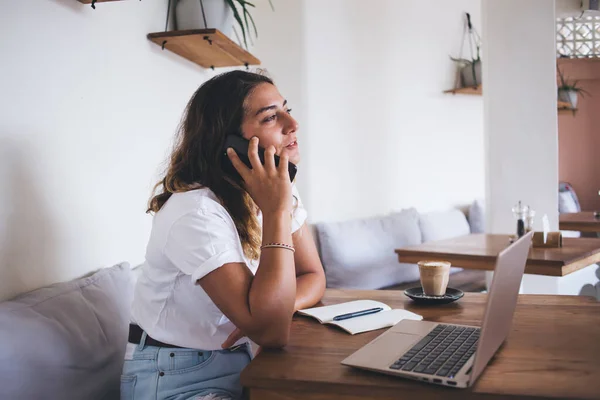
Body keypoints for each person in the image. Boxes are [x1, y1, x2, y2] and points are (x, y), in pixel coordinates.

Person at [120, 70, 326, 400]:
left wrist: (274, 311)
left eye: (287, 109)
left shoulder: (277, 188)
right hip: (178, 375)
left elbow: (312, 275)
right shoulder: (196, 212)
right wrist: (275, 212)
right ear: (229, 142)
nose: (292, 124)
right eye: (271, 117)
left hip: (244, 360)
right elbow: (272, 332)